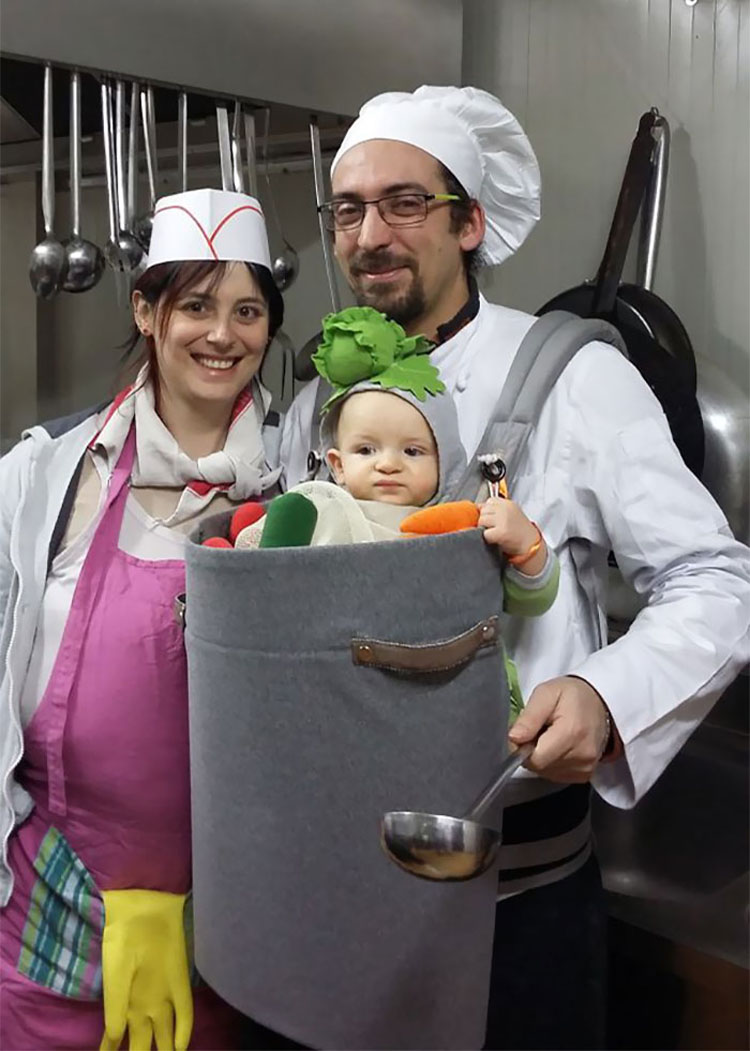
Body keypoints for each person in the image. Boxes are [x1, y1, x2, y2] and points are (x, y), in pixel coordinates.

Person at [278, 86, 750, 1049]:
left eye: (405, 203)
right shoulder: (319, 403)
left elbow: (715, 578)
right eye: (349, 209)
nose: (371, 234)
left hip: (516, 895)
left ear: (470, 223)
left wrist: (605, 695)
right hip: (333, 882)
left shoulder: (575, 375)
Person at [0, 187, 284, 1051]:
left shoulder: (303, 485)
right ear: (146, 311)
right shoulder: (48, 475)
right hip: (48, 896)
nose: (221, 334)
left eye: (247, 311)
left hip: (229, 913)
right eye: (195, 305)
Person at [311, 304, 559, 722]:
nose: (388, 464)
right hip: (348, 701)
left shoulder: (462, 527)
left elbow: (531, 600)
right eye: (366, 450)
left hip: (448, 694)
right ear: (337, 464)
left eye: (412, 451)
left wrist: (526, 545)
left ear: (445, 461)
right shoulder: (324, 514)